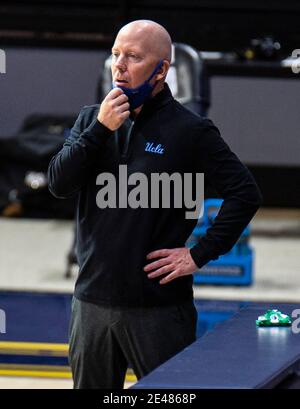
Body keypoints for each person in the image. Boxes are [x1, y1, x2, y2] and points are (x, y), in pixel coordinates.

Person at [48, 20, 262, 389]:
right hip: (91, 303)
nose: (119, 65)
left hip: (158, 309)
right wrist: (100, 129)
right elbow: (58, 184)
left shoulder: (191, 131)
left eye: (133, 57)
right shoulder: (91, 119)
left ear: (162, 69)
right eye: (116, 55)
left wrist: (199, 254)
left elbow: (245, 193)